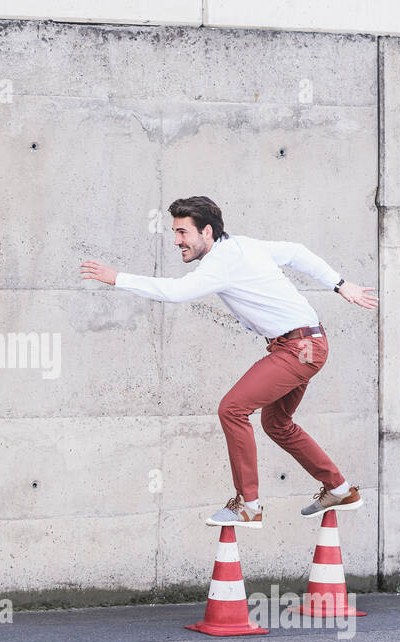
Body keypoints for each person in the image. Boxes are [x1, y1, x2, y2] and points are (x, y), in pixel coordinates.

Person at [79, 196, 378, 528]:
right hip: (303, 343)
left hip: (299, 348)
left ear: (206, 231)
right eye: (175, 232)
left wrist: (118, 278)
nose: (177, 241)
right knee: (277, 424)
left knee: (232, 409)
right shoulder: (243, 246)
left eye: (182, 232)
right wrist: (339, 284)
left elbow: (176, 292)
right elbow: (295, 251)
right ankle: (339, 488)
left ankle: (249, 506)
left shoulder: (221, 263)